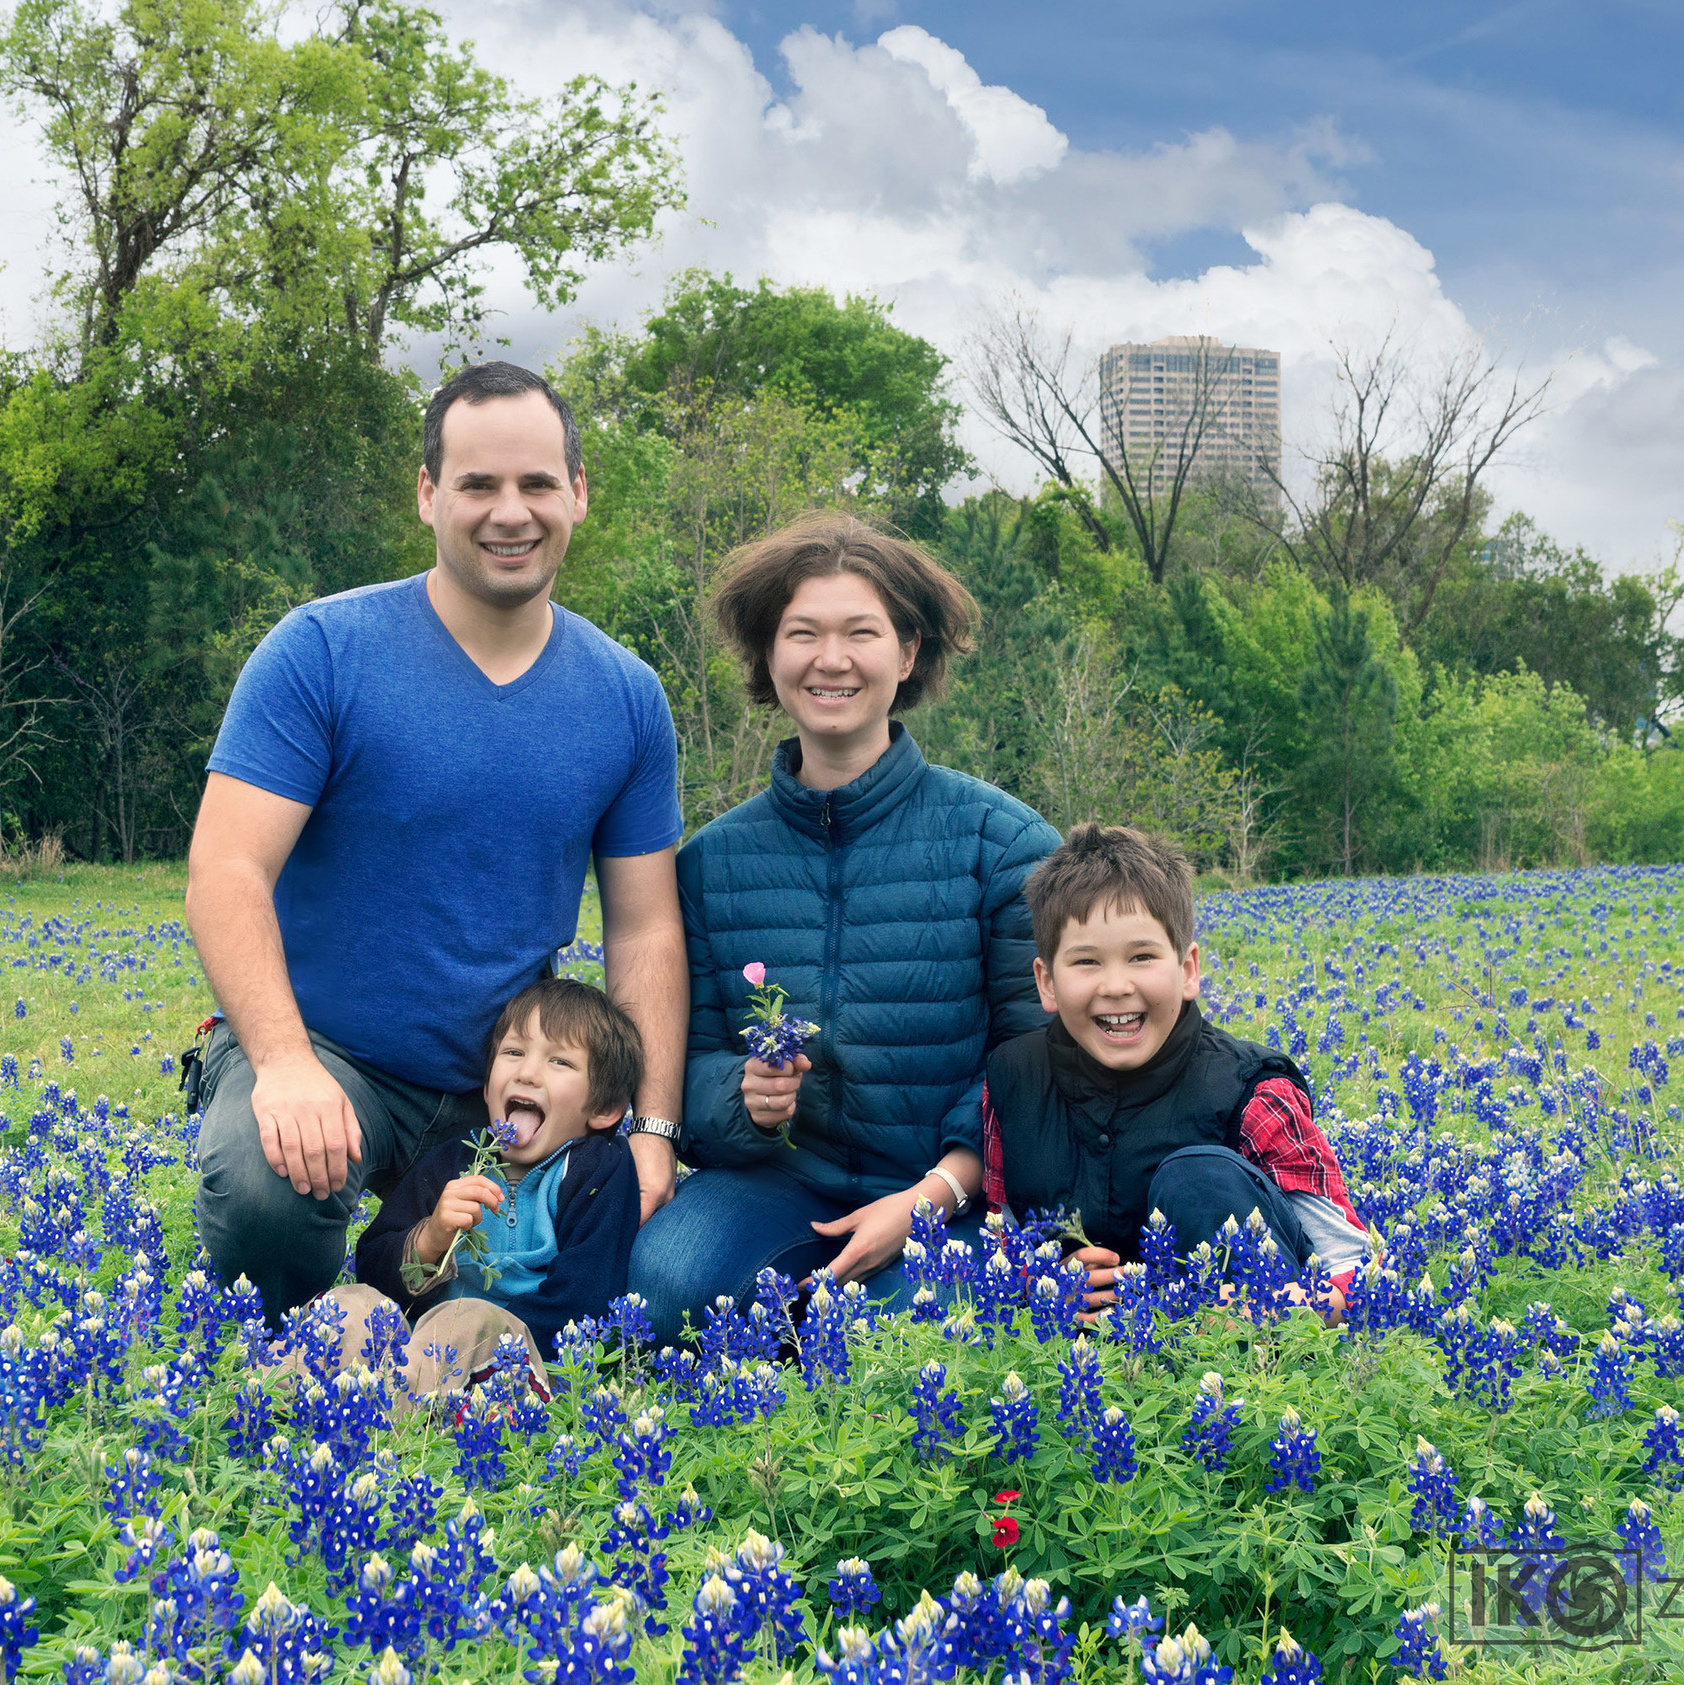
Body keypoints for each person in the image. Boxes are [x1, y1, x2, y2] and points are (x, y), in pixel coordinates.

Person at [189, 361, 688, 1325]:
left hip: (512, 1069)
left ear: (578, 492)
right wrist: (287, 1064)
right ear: (428, 494)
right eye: (479, 484)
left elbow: (646, 929)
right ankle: (289, 1349)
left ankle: (475, 1336)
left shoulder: (625, 695)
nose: (513, 511)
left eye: (539, 483)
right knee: (264, 1187)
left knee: (637, 1239)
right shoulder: (320, 650)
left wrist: (651, 1125)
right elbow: (225, 870)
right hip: (330, 1047)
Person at [629, 511, 1062, 1345]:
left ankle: (815, 1344)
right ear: (769, 656)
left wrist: (933, 1194)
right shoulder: (711, 864)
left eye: (861, 631)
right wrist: (742, 1101)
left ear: (906, 654)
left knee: (918, 1330)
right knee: (666, 1281)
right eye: (803, 633)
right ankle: (789, 1349)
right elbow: (684, 1057)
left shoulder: (1003, 845)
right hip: (781, 1184)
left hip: (953, 1191)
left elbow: (1038, 1062)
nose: (831, 659)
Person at [984, 823, 1367, 1315]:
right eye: (1086, 962)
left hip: (1253, 1360)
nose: (1116, 985)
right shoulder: (1014, 1080)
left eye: (1142, 956)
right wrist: (1041, 1286)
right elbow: (1000, 1241)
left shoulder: (1252, 1090)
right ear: (1047, 983)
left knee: (1198, 1177)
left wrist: (1285, 1307)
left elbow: (1354, 1272)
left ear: (1187, 970)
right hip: (1089, 1366)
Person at [343, 977, 643, 1387]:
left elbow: (587, 1294)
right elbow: (373, 1264)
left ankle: (380, 1407)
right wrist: (429, 1240)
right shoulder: (453, 1162)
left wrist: (508, 1350)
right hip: (418, 1343)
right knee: (353, 1302)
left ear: (605, 1108)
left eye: (560, 1062)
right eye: (514, 1052)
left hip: (518, 1359)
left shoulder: (598, 1169)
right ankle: (279, 1393)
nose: (527, 1073)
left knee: (473, 1320)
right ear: (487, 1088)